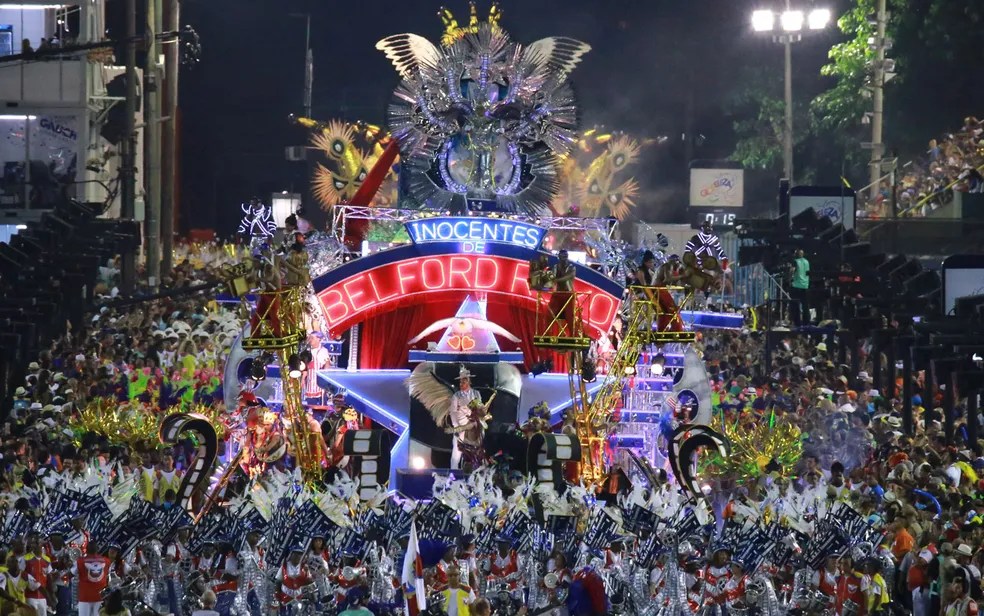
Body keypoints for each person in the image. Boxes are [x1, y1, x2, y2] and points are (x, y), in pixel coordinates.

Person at [448, 366, 484, 470]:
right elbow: (453, 412)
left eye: (464, 381)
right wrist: (456, 426)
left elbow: (480, 407)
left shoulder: (476, 393)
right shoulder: (456, 395)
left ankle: (476, 470)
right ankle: (453, 472)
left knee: (477, 448)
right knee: (457, 451)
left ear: (469, 381)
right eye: (460, 381)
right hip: (462, 425)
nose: (461, 383)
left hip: (474, 424)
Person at [548, 250, 576, 333]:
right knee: (550, 313)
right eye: (562, 257)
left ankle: (573, 334)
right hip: (558, 293)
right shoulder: (556, 267)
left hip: (568, 294)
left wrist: (555, 280)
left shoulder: (572, 268)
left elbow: (567, 277)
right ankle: (547, 332)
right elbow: (552, 277)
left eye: (565, 256)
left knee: (569, 315)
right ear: (559, 257)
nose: (564, 258)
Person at [790, 249, 811, 326]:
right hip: (805, 285)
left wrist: (789, 278)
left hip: (796, 285)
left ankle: (797, 323)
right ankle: (807, 323)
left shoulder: (796, 261)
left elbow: (792, 270)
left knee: (795, 305)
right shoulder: (807, 262)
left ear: (797, 254)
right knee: (805, 305)